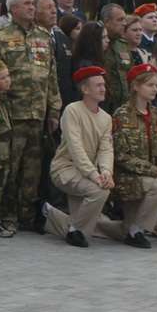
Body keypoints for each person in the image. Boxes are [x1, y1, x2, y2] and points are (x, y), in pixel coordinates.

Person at [0, 0, 52, 238]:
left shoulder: (43, 36)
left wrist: (55, 108)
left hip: (37, 113)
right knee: (5, 169)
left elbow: (52, 77)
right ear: (13, 9)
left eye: (33, 3)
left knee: (32, 171)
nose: (32, 7)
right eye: (27, 4)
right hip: (10, 114)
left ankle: (25, 215)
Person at [44, 65, 114, 246]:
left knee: (87, 219)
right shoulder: (72, 111)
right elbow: (76, 149)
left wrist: (106, 173)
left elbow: (106, 149)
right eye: (98, 85)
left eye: (103, 85)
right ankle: (74, 232)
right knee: (99, 191)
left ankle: (50, 215)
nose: (103, 88)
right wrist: (95, 176)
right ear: (84, 89)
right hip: (65, 169)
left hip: (86, 172)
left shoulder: (106, 118)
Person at [111, 63, 157, 247]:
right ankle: (135, 230)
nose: (155, 89)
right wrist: (155, 171)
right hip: (127, 177)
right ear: (136, 87)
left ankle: (134, 228)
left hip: (151, 176)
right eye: (150, 85)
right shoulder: (122, 115)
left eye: (156, 85)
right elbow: (121, 155)